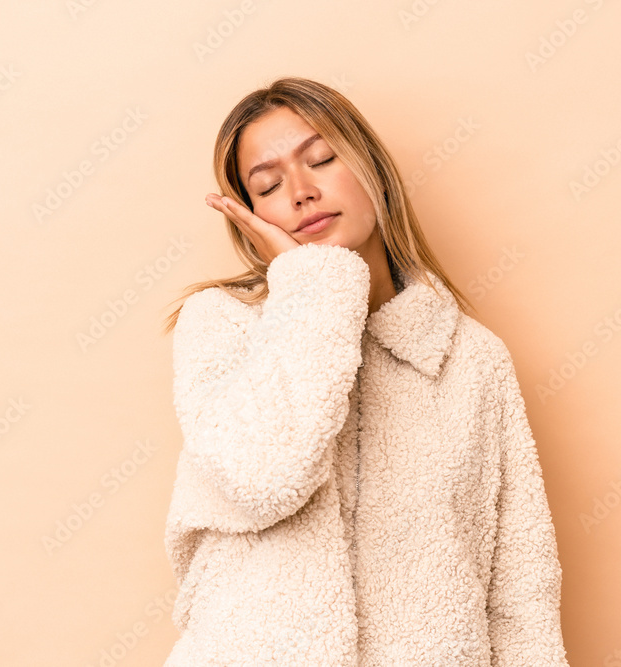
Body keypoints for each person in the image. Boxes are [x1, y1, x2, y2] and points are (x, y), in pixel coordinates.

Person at [160, 76, 570, 666]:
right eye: (269, 184)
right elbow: (263, 477)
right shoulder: (222, 324)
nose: (300, 192)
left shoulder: (472, 359)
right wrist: (314, 287)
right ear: (252, 216)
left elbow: (522, 589)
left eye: (322, 159)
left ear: (370, 168)